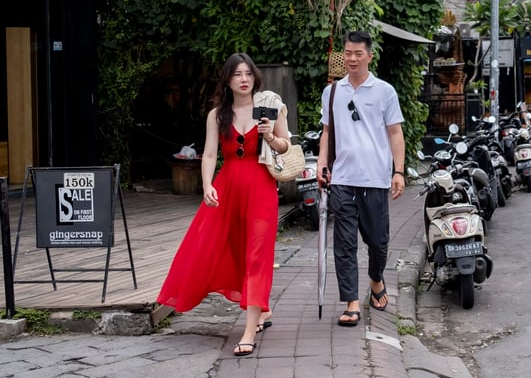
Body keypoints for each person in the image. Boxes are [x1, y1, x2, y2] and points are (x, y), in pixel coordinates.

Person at [158, 53, 287, 357]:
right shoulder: (217, 115)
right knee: (220, 247)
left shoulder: (269, 107)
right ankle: (261, 309)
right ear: (227, 81)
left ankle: (248, 330)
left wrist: (270, 136)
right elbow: (209, 154)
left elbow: (286, 146)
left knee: (257, 255)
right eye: (237, 74)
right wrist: (207, 186)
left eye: (248, 74)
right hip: (227, 188)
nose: (244, 79)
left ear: (255, 77)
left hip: (261, 188)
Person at [318, 31, 406, 328]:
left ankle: (376, 278)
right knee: (344, 244)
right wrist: (321, 164)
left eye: (358, 53)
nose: (352, 59)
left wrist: (398, 171)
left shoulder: (384, 91)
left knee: (378, 241)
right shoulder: (332, 92)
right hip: (342, 178)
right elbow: (327, 132)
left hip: (375, 179)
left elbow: (395, 132)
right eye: (347, 53)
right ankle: (351, 302)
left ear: (369, 55)